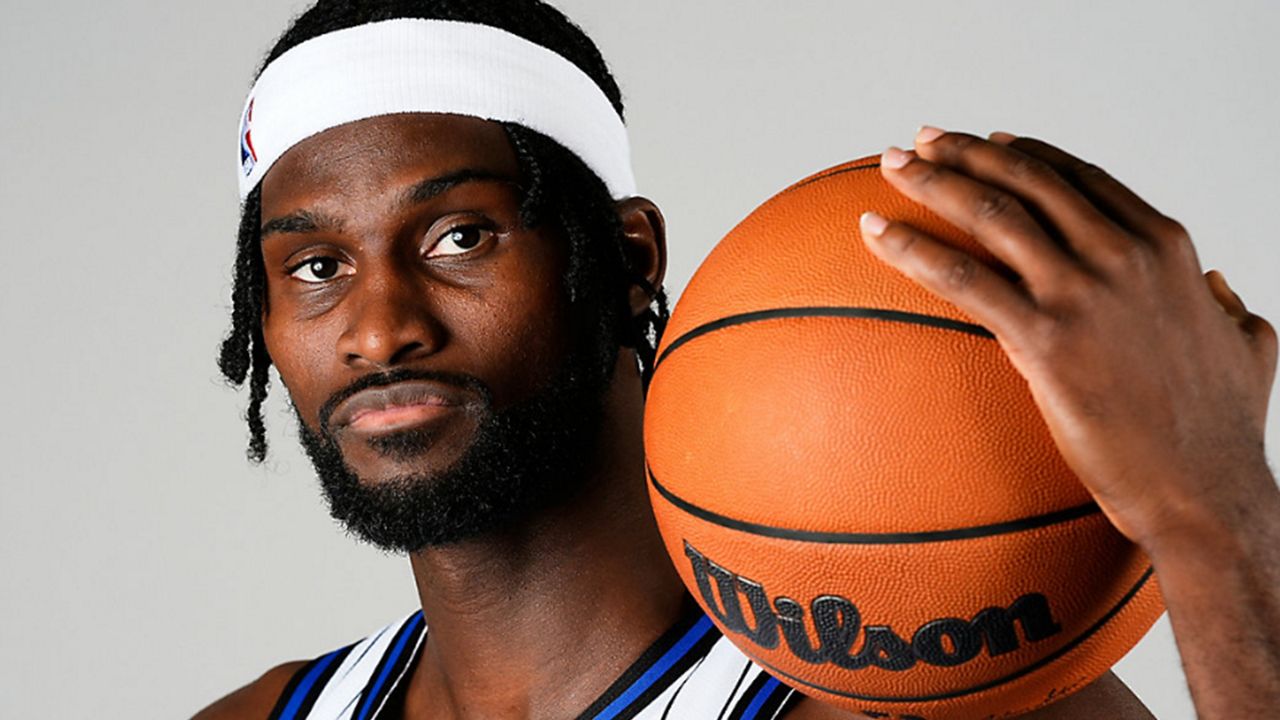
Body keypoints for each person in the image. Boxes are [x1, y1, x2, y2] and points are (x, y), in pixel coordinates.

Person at [195, 1, 1280, 718]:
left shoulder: (923, 689)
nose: (378, 329)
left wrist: (1212, 514)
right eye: (315, 266)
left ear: (626, 258)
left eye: (460, 238)